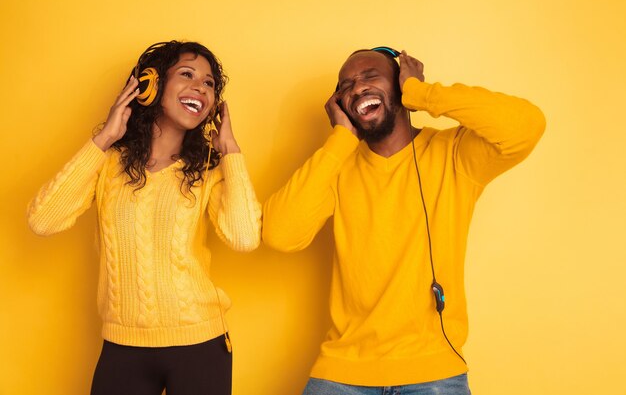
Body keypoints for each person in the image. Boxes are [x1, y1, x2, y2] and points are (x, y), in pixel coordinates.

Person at [262, 47, 545, 394]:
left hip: (434, 373)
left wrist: (422, 94)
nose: (356, 88)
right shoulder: (336, 166)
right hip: (343, 373)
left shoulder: (454, 154)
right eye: (345, 85)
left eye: (370, 76)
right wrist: (339, 141)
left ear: (399, 85)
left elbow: (526, 125)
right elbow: (279, 233)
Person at [27, 40, 261, 395]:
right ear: (149, 86)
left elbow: (244, 239)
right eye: (187, 74)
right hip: (123, 348)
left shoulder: (209, 172)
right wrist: (105, 137)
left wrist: (230, 151)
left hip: (201, 345)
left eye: (210, 83)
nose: (201, 87)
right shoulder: (107, 165)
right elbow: (43, 221)